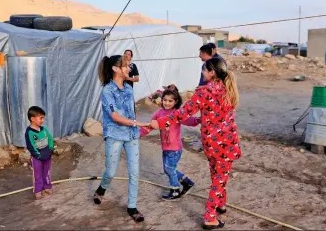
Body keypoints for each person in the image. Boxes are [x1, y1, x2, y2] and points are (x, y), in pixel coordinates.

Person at [150, 57, 241, 230]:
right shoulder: (228, 89)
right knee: (220, 178)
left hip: (213, 144)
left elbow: (181, 114)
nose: (202, 73)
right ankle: (211, 214)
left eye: (204, 70)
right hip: (227, 143)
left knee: (218, 177)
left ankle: (217, 208)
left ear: (212, 72)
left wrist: (160, 122)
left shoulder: (204, 92)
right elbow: (183, 114)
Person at [93, 55, 149, 223]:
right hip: (115, 135)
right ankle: (102, 189)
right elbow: (115, 116)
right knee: (110, 171)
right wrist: (138, 123)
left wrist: (140, 127)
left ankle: (132, 207)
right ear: (115, 69)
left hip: (131, 135)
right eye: (125, 66)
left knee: (134, 172)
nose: (129, 69)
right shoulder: (107, 91)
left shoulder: (129, 89)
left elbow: (131, 111)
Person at [140, 84, 200, 200]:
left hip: (175, 148)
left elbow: (189, 120)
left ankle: (175, 190)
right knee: (168, 169)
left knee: (169, 169)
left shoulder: (177, 114)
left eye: (170, 101)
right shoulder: (159, 113)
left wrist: (198, 120)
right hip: (166, 148)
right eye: (165, 100)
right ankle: (187, 182)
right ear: (161, 100)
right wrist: (137, 134)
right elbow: (149, 126)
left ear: (175, 102)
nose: (167, 103)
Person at [25, 106, 54, 200]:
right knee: (37, 174)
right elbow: (30, 146)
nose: (43, 120)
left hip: (47, 156)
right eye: (40, 118)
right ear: (32, 119)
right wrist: (38, 155)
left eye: (43, 118)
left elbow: (50, 138)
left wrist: (51, 149)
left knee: (47, 172)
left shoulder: (44, 129)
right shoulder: (29, 132)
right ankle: (38, 190)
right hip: (37, 158)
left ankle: (47, 187)